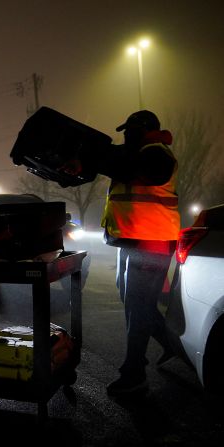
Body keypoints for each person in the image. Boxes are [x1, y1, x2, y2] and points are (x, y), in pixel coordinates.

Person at [64, 110, 180, 396]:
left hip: (152, 242)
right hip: (132, 241)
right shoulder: (134, 153)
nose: (125, 135)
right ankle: (174, 345)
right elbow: (115, 162)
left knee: (138, 308)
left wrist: (95, 156)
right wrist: (80, 165)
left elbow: (127, 167)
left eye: (129, 130)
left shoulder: (157, 154)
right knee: (136, 304)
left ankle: (134, 374)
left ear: (143, 130)